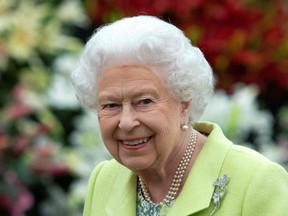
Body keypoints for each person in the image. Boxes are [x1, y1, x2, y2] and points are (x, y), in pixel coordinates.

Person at [71, 15, 288, 216]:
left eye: (145, 102)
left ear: (184, 104)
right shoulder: (104, 179)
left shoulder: (257, 182)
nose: (126, 122)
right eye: (111, 105)